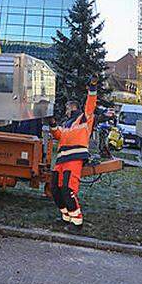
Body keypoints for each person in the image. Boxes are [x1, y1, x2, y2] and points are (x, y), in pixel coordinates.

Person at [48, 81, 99, 226]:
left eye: (67, 107)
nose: (65, 110)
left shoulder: (84, 118)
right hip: (61, 160)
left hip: (74, 159)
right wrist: (52, 124)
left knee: (68, 189)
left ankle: (77, 222)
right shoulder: (66, 123)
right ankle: (66, 217)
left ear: (72, 107)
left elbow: (91, 105)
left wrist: (93, 87)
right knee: (56, 190)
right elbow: (59, 135)